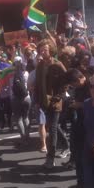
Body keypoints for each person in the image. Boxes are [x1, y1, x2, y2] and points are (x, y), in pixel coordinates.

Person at [35, 40, 69, 168]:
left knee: (52, 129)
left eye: (45, 50)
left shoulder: (58, 64)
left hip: (55, 102)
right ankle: (66, 145)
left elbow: (67, 81)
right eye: (41, 50)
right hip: (44, 101)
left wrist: (59, 96)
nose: (43, 52)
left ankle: (50, 158)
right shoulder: (40, 66)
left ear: (51, 50)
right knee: (52, 125)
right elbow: (38, 85)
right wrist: (37, 101)